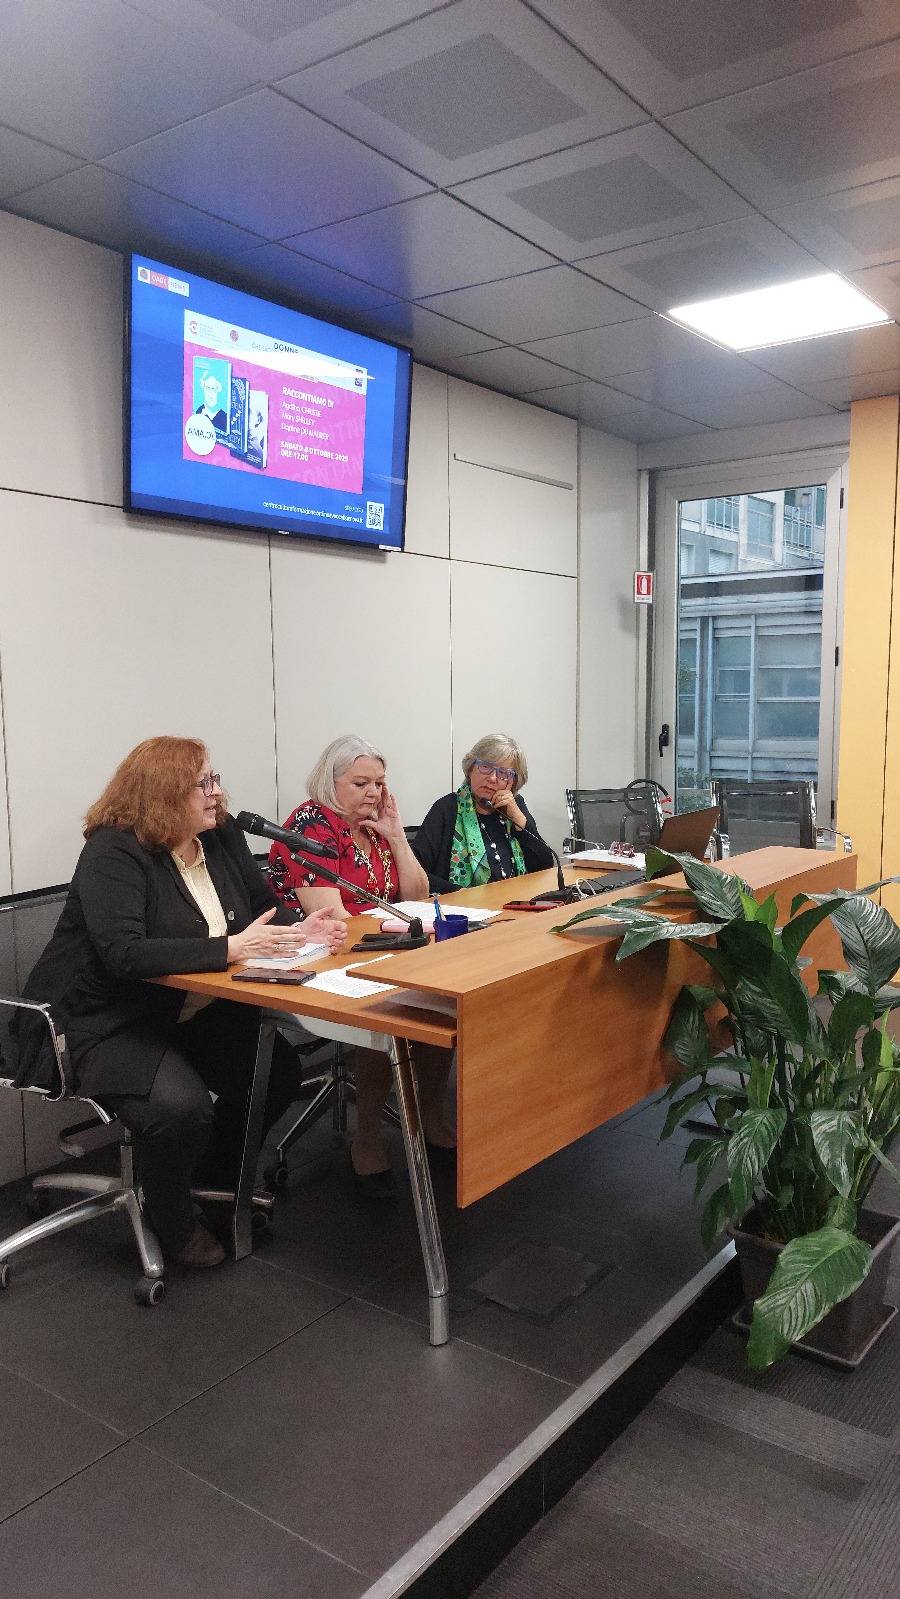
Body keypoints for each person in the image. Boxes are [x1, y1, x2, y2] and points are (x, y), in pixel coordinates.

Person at [17, 738, 346, 1268]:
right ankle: (171, 1222)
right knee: (182, 1108)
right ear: (164, 793)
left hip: (182, 1011)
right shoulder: (114, 850)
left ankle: (213, 1184)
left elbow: (261, 907)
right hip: (98, 1020)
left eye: (215, 779)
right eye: (203, 783)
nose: (216, 792)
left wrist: (301, 930)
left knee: (274, 1073)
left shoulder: (220, 836)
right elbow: (124, 953)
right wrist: (230, 948)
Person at [269, 734, 455, 1198]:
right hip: (314, 956)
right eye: (360, 783)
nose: (373, 792)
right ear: (330, 782)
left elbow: (415, 895)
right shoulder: (312, 824)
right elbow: (333, 919)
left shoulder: (372, 827)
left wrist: (396, 836)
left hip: (378, 946)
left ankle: (431, 1117)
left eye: (379, 782)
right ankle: (366, 1136)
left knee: (441, 997)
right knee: (388, 1007)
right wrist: (393, 928)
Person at [413, 733, 556, 892]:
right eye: (486, 767)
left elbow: (544, 866)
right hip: (462, 904)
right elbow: (415, 873)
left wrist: (519, 820)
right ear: (470, 769)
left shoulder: (515, 807)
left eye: (503, 773)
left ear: (513, 782)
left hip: (515, 901)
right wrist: (458, 892)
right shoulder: (447, 809)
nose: (492, 778)